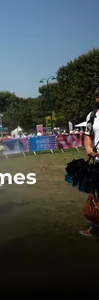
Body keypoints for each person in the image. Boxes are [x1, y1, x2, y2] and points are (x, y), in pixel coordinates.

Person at [80, 86, 99, 237]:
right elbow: (88, 136)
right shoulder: (92, 116)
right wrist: (88, 148)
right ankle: (95, 227)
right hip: (98, 163)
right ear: (97, 98)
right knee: (96, 197)